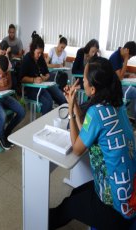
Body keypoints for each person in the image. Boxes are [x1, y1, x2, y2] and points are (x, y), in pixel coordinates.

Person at [50, 57, 136, 230]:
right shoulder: (116, 104)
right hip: (129, 190)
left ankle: (41, 222)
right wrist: (73, 105)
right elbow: (88, 134)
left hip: (115, 206)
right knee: (75, 193)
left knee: (68, 206)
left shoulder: (96, 112)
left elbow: (76, 148)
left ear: (93, 88)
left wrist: (71, 113)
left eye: (84, 78)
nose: (82, 80)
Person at [20, 32, 66, 115]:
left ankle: (64, 117)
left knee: (61, 97)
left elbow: (47, 73)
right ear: (33, 50)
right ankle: (45, 123)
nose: (40, 55)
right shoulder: (27, 58)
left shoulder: (41, 58)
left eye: (41, 52)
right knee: (48, 102)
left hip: (43, 85)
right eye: (38, 53)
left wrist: (44, 78)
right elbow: (22, 78)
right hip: (31, 88)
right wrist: (34, 79)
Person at [109, 41, 136, 124]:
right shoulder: (116, 57)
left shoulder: (119, 56)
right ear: (127, 50)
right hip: (112, 88)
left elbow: (119, 74)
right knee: (134, 91)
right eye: (130, 56)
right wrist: (126, 59)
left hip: (117, 85)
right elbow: (120, 77)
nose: (129, 58)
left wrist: (128, 75)